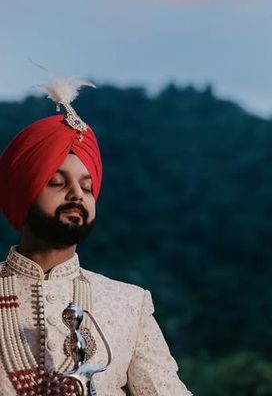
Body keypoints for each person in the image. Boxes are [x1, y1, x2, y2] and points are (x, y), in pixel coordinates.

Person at [0, 78, 192, 395]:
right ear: (25, 193)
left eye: (87, 187)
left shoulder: (129, 303)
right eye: (58, 183)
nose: (77, 195)